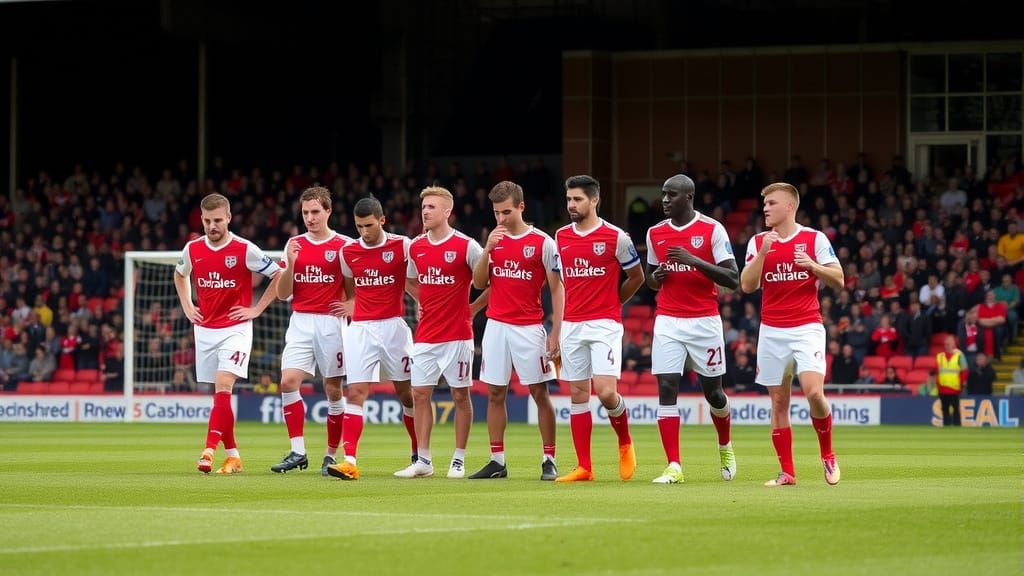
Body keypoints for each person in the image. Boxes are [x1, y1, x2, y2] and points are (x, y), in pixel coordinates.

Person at [740, 182, 844, 487]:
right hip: (771, 331)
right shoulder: (758, 241)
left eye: (772, 203)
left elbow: (839, 279)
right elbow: (747, 285)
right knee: (779, 403)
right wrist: (764, 253)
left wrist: (813, 266)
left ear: (789, 206)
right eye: (765, 204)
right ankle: (787, 472)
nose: (766, 208)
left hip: (806, 327)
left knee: (813, 393)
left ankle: (827, 454)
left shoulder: (814, 239)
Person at [174, 193, 282, 474]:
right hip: (205, 329)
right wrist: (188, 305)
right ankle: (233, 455)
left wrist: (257, 309)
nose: (213, 226)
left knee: (223, 384)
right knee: (219, 396)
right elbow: (180, 274)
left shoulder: (245, 249)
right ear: (202, 219)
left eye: (218, 220)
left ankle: (208, 451)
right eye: (208, 221)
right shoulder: (193, 249)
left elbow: (279, 274)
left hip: (235, 329)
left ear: (229, 219)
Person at [644, 174, 738, 484]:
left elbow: (732, 279)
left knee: (714, 394)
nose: (665, 200)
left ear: (689, 197)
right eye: (663, 194)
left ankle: (724, 444)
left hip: (704, 321)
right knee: (667, 388)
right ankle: (674, 466)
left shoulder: (712, 229)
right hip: (668, 320)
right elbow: (650, 280)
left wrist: (693, 260)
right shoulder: (655, 233)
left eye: (671, 194)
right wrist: (656, 277)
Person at [466, 181, 562, 481]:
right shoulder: (494, 240)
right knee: (495, 393)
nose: (501, 219)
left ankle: (549, 459)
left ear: (521, 207)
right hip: (496, 326)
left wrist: (556, 331)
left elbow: (558, 289)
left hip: (529, 327)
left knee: (539, 392)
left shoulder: (543, 242)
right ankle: (497, 461)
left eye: (506, 212)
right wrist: (487, 251)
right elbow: (480, 283)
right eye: (496, 213)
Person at [553, 175, 645, 483]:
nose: (571, 205)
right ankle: (584, 467)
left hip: (604, 324)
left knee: (605, 393)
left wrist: (613, 303)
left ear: (594, 200)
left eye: (577, 199)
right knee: (578, 395)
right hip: (572, 325)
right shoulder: (561, 237)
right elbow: (563, 281)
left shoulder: (616, 237)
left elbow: (637, 277)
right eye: (568, 199)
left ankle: (625, 442)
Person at [394, 186, 489, 479]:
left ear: (447, 211)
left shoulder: (466, 246)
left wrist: (473, 309)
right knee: (419, 394)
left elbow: (492, 282)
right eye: (424, 207)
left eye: (432, 207)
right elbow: (409, 281)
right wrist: (423, 301)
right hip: (425, 335)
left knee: (461, 397)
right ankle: (423, 460)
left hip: (458, 336)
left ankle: (458, 459)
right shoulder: (417, 247)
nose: (425, 211)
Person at [326, 197, 420, 480]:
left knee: (406, 393)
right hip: (361, 329)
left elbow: (413, 280)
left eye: (368, 225)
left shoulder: (402, 245)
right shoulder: (348, 251)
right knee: (355, 392)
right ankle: (349, 460)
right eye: (358, 226)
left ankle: (418, 453)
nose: (364, 232)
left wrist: (422, 301)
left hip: (393, 328)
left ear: (382, 220)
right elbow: (350, 287)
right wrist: (353, 304)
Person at [271, 186, 354, 475]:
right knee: (288, 381)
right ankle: (298, 451)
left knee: (333, 388)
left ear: (328, 211)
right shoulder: (294, 244)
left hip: (330, 323)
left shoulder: (344, 245)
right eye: (305, 212)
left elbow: (353, 290)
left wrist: (352, 305)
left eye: (315, 212)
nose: (310, 217)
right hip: (300, 321)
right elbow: (283, 293)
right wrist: (291, 264)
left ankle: (331, 455)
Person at [936, 335, 968, 426]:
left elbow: (965, 371)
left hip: (954, 388)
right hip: (942, 388)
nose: (947, 345)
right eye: (945, 344)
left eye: (949, 343)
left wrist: (960, 383)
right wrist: (938, 385)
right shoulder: (940, 356)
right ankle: (946, 426)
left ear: (954, 344)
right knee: (945, 409)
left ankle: (957, 425)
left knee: (955, 409)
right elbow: (937, 372)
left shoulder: (959, 356)